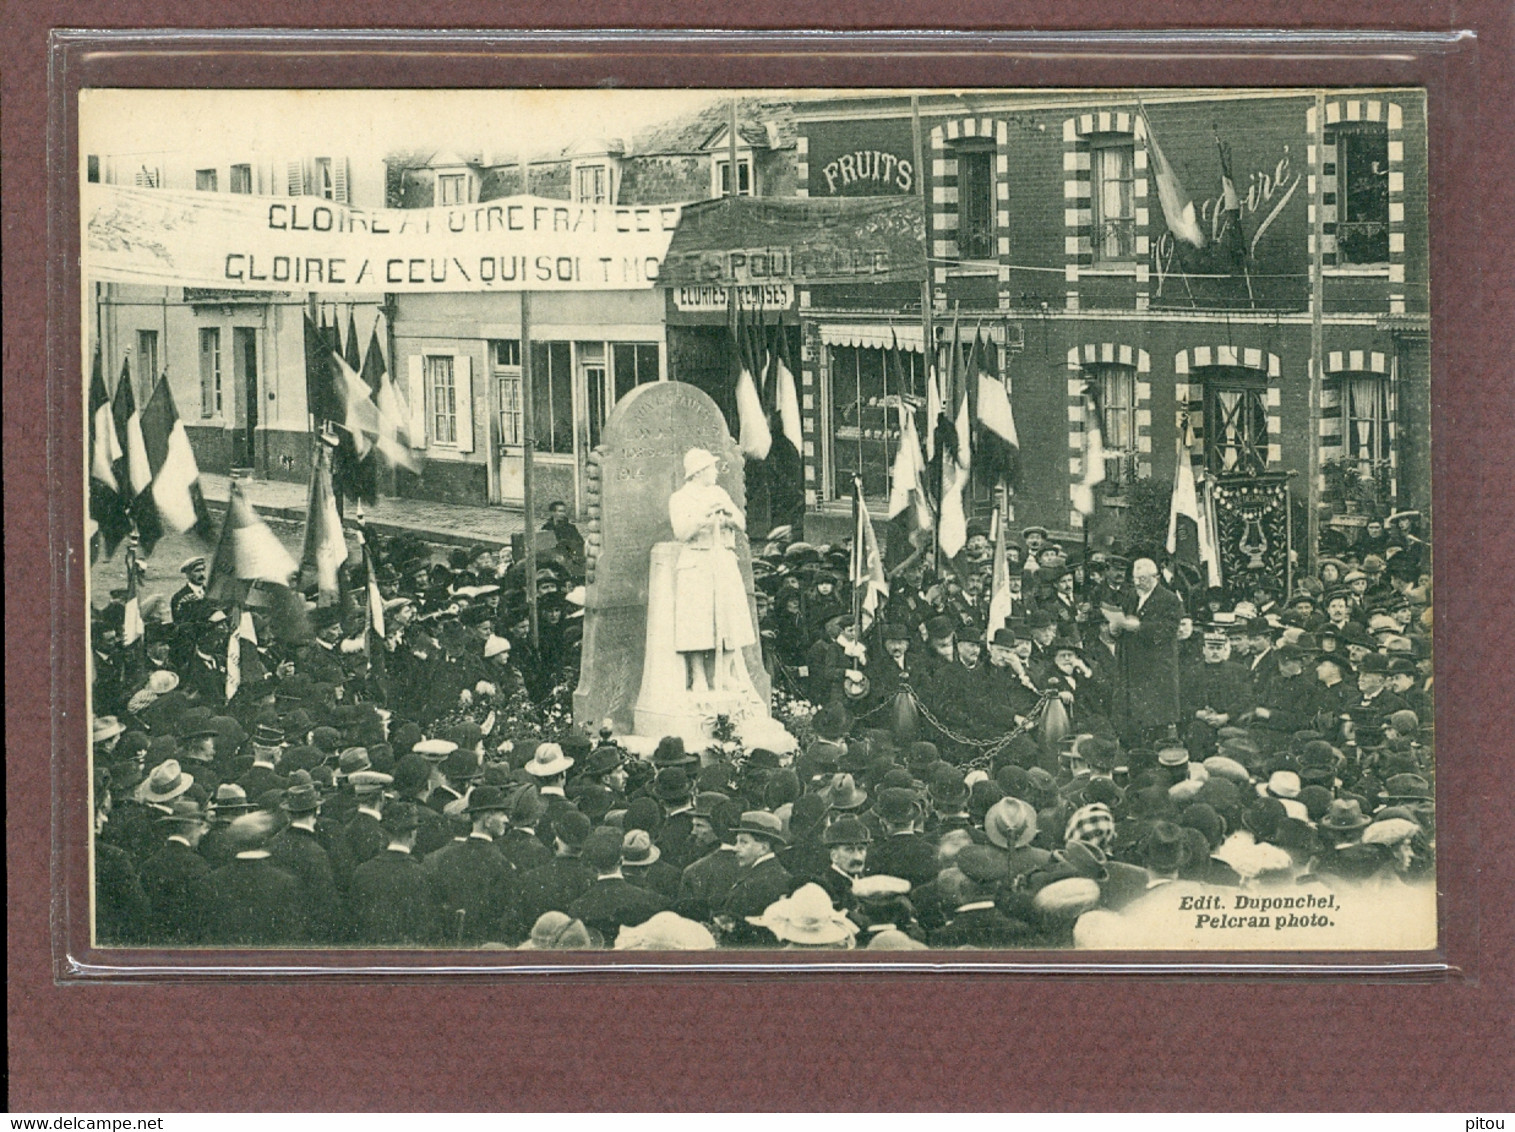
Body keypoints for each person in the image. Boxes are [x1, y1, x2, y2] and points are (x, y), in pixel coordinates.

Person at [668, 447, 757, 695]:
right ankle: (698, 676)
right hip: (697, 560)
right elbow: (682, 532)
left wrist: (728, 516)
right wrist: (704, 517)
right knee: (696, 622)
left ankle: (724, 673)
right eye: (711, 468)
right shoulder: (680, 498)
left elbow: (741, 522)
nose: (715, 472)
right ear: (698, 472)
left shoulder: (719, 493)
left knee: (731, 616)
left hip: (723, 558)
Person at [1110, 558, 1183, 747]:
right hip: (1130, 669)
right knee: (1130, 722)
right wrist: (1115, 629)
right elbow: (1123, 624)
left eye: (1142, 578)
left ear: (1156, 577)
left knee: (1154, 725)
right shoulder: (1130, 597)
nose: (1137, 583)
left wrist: (1139, 627)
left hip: (1154, 672)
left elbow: (1167, 631)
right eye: (1135, 578)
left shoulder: (1169, 599)